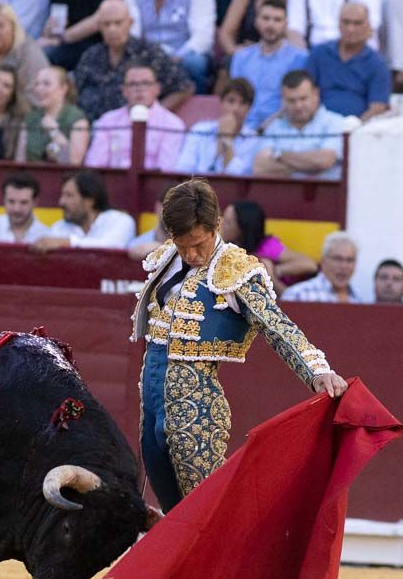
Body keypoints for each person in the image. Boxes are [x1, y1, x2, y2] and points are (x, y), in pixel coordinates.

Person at [130, 178, 347, 510]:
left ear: (217, 225)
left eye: (198, 244)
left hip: (196, 405)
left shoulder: (235, 269)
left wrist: (317, 371)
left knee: (205, 509)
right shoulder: (167, 259)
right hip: (151, 399)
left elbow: (276, 326)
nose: (191, 254)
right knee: (172, 511)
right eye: (181, 243)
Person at [73, 0, 192, 121]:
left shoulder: (149, 53)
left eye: (118, 23)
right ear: (99, 27)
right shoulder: (90, 56)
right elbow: (74, 92)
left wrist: (153, 115)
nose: (112, 29)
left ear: (130, 23)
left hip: (134, 128)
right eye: (106, 24)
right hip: (93, 130)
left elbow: (184, 87)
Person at [84, 63, 185, 169]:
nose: (139, 89)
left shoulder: (172, 124)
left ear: (157, 89)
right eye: (132, 84)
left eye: (146, 83)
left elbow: (165, 170)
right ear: (124, 90)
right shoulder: (107, 120)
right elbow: (94, 164)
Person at [252, 69, 347, 179]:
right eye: (291, 101)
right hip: (282, 193)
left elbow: (325, 160)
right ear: (282, 100)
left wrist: (279, 155)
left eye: (303, 99)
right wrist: (310, 165)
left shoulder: (335, 122)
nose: (298, 106)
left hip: (324, 194)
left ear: (316, 94)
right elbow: (259, 167)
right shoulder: (274, 127)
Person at [228, 0, 307, 128]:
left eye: (277, 20)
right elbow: (235, 98)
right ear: (256, 21)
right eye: (265, 18)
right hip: (243, 128)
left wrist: (263, 129)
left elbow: (292, 102)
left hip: (280, 129)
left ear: (286, 24)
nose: (270, 25)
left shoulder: (299, 58)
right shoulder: (241, 57)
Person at [305, 2, 389, 120]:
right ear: (338, 24)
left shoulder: (377, 64)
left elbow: (377, 107)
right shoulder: (319, 54)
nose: (350, 28)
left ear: (368, 25)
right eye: (346, 22)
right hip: (318, 125)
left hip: (358, 129)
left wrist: (353, 129)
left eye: (357, 23)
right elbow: (303, 92)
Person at [221, 200, 316, 295]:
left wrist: (274, 270)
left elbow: (310, 264)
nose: (221, 225)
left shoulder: (267, 246)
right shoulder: (221, 246)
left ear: (242, 228)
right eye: (222, 219)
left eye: (228, 222)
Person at [126, 0, 215, 93]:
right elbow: (132, 35)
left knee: (195, 63)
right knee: (128, 60)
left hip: (183, 55)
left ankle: (198, 105)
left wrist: (175, 57)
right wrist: (153, 57)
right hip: (147, 54)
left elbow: (202, 39)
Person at [172, 77, 258, 175]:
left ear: (249, 109)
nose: (235, 108)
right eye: (231, 101)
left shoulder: (253, 139)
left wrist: (227, 140)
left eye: (242, 103)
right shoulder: (199, 130)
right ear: (221, 103)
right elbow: (182, 169)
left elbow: (238, 178)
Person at [32, 169, 136, 250]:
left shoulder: (120, 221)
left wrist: (67, 242)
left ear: (89, 200)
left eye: (69, 195)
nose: (61, 202)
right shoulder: (60, 227)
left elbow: (111, 246)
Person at [19, 65, 90, 164]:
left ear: (63, 88)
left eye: (46, 84)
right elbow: (19, 160)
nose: (39, 89)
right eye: (37, 84)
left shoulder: (77, 119)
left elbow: (74, 162)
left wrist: (55, 132)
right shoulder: (30, 118)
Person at [281, 230, 364, 303]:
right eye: (337, 259)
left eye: (349, 260)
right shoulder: (297, 295)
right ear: (323, 261)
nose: (343, 266)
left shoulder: (359, 301)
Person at [0, 172, 51, 243]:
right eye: (11, 201)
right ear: (4, 200)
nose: (17, 209)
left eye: (24, 202)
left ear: (35, 202)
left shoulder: (46, 236)